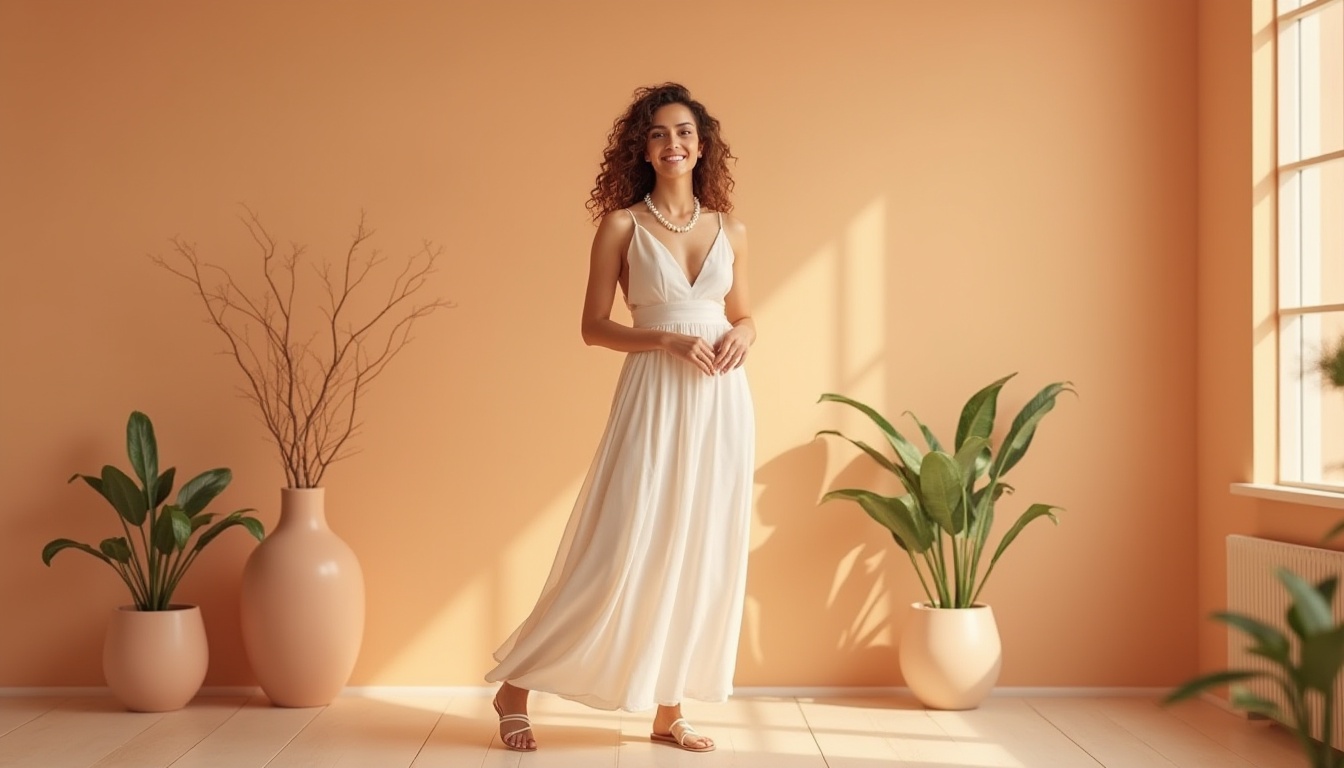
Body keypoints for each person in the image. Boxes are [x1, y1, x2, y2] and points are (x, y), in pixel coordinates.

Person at [484, 82, 756, 754]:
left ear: (702, 143)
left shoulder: (732, 229)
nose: (673, 144)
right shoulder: (621, 226)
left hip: (721, 403)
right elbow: (593, 327)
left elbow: (742, 313)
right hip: (655, 395)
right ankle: (515, 686)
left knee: (699, 551)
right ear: (642, 146)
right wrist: (664, 339)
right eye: (660, 133)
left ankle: (669, 708)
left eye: (685, 132)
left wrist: (747, 332)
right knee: (619, 547)